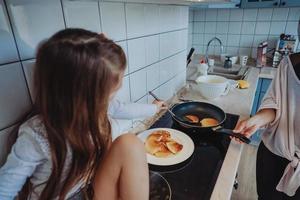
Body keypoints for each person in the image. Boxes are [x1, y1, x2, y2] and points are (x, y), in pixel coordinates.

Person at [0, 28, 164, 200]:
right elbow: (5, 189)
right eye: (109, 93)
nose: (119, 89)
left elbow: (122, 108)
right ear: (79, 97)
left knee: (130, 143)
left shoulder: (97, 107)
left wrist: (154, 108)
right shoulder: (36, 136)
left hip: (89, 188)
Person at [233, 20, 300, 200]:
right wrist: (257, 120)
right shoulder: (289, 64)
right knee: (265, 196)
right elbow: (274, 105)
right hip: (273, 153)